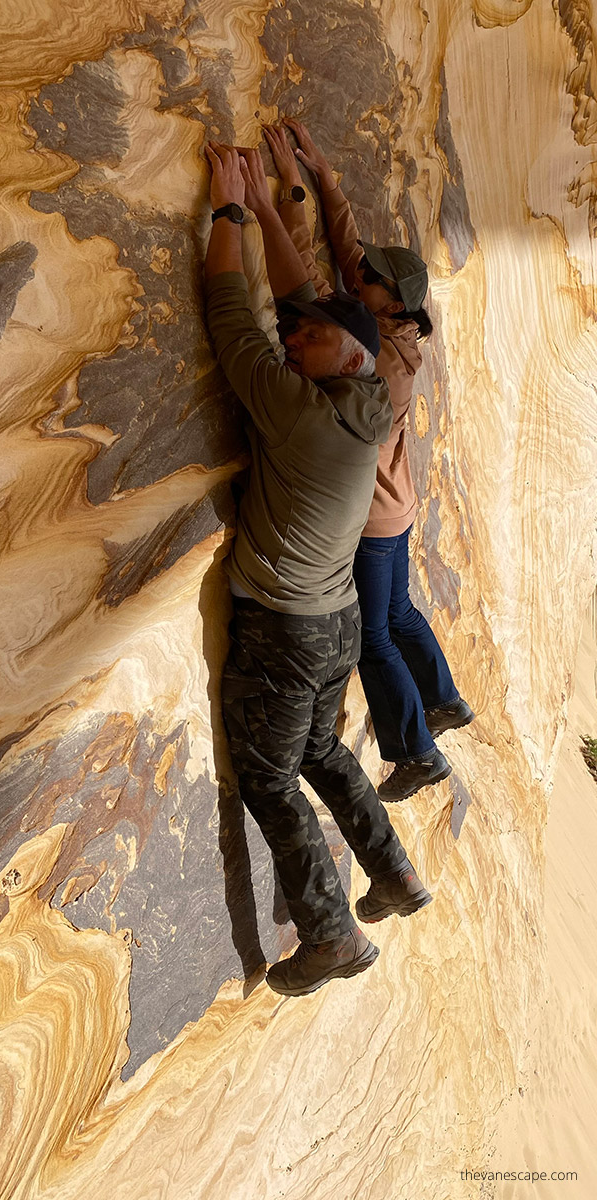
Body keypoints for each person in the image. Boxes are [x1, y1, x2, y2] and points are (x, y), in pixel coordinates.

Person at [203, 141, 432, 998]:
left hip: (288, 627)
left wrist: (227, 210)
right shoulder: (369, 386)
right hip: (331, 621)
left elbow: (232, 315)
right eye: (295, 334)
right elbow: (309, 303)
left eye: (306, 338)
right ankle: (396, 874)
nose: (291, 339)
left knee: (267, 772)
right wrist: (269, 208)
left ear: (347, 352)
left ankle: (332, 937)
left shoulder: (300, 413)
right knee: (322, 752)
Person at [259, 118, 474, 803]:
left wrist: (284, 200)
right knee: (401, 611)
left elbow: (314, 285)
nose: (365, 275)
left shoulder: (374, 353)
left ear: (387, 300)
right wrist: (323, 177)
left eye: (375, 278)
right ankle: (443, 700)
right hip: (398, 505)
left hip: (375, 515)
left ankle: (416, 752)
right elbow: (350, 254)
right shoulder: (394, 320)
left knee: (375, 635)